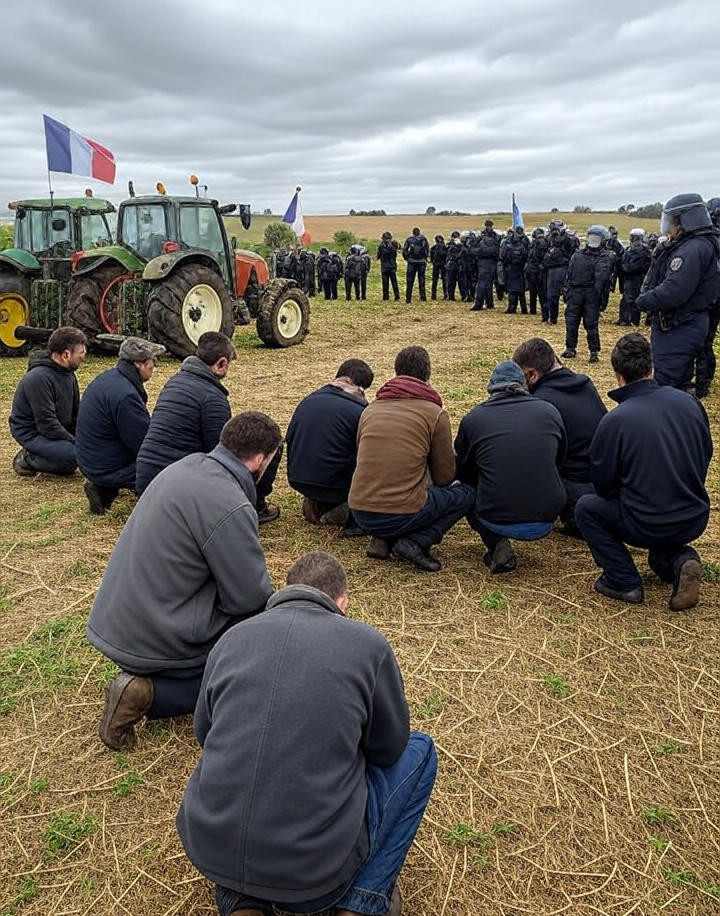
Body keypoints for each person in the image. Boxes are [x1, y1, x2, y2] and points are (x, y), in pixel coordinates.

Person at [177, 551, 436, 916]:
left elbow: (204, 733)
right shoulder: (368, 645)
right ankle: (361, 899)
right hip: (317, 877)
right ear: (342, 601)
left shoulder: (231, 639)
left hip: (213, 849)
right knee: (421, 750)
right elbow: (389, 748)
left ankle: (242, 903)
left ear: (285, 591)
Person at [87, 411, 281, 751]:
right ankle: (149, 694)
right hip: (158, 634)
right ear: (261, 460)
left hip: (117, 621)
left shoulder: (185, 467)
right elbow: (249, 599)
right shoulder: (230, 503)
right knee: (256, 648)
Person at [575, 334, 712, 610]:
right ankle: (682, 560)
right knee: (659, 552)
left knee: (586, 507)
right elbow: (705, 455)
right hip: (693, 515)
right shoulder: (691, 403)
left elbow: (602, 484)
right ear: (652, 368)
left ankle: (623, 580)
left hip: (645, 520)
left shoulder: (615, 421)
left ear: (617, 375)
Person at [349, 346, 474, 572]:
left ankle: (382, 539)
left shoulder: (370, 410)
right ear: (427, 376)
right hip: (401, 511)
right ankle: (416, 542)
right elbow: (445, 477)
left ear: (396, 372)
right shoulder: (434, 413)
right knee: (465, 495)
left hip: (360, 511)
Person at [135, 331, 280, 522]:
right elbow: (223, 456)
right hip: (177, 492)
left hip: (147, 484)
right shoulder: (212, 398)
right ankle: (256, 507)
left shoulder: (175, 382)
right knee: (271, 445)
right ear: (221, 364)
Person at [454, 360, 567, 573]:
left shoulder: (474, 419)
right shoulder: (549, 411)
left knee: (465, 490)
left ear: (491, 388)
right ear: (524, 385)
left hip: (495, 517)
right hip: (548, 515)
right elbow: (559, 459)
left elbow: (463, 470)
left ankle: (497, 544)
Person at [512, 338, 607, 536]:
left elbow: (536, 461)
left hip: (575, 489)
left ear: (532, 375)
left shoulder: (542, 405)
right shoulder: (585, 385)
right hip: (607, 484)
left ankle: (574, 519)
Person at [636, 193, 720, 390]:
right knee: (681, 382)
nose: (668, 226)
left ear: (685, 220)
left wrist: (643, 301)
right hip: (688, 321)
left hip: (680, 324)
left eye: (671, 220)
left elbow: (675, 290)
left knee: (667, 382)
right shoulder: (702, 244)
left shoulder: (692, 249)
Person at [76, 336, 165, 515]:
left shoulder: (109, 378)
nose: (153, 366)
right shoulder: (126, 396)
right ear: (139, 363)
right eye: (152, 361)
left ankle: (103, 486)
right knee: (164, 470)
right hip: (104, 465)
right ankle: (105, 486)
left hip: (90, 458)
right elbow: (142, 445)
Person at [286, 358, 374, 531]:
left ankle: (317, 502)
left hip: (298, 479)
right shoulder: (359, 411)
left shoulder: (309, 400)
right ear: (354, 385)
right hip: (334, 486)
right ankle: (338, 513)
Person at [9, 326, 87, 477]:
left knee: (89, 449)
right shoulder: (38, 379)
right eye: (81, 352)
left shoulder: (68, 374)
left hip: (58, 429)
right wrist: (76, 443)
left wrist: (87, 437)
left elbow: (77, 413)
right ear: (66, 355)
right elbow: (47, 425)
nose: (84, 356)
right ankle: (28, 458)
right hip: (35, 433)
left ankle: (54, 452)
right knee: (73, 457)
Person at [561, 225, 611, 363]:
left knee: (583, 323)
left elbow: (601, 281)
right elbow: (570, 276)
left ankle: (586, 351)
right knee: (579, 322)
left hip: (584, 293)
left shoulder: (595, 257)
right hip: (583, 293)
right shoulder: (583, 256)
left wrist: (567, 292)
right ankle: (578, 349)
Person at [694, 196, 720, 398]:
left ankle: (702, 383)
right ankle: (704, 380)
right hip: (712, 298)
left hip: (710, 300)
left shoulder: (708, 242)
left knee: (704, 342)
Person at [543, 220, 577, 325]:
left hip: (564, 268)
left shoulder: (569, 237)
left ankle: (572, 318)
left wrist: (563, 237)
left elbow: (572, 247)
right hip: (551, 269)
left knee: (569, 295)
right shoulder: (549, 238)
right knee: (551, 296)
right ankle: (553, 319)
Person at [618, 229, 651, 326]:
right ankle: (624, 319)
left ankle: (632, 320)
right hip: (628, 278)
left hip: (636, 278)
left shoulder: (643, 251)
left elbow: (637, 266)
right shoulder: (630, 249)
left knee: (632, 299)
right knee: (626, 299)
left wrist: (625, 267)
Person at [502, 226, 529, 314]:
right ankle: (523, 309)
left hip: (512, 269)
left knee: (512, 290)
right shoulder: (522, 247)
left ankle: (512, 308)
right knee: (520, 291)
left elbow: (504, 258)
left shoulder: (508, 247)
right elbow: (525, 257)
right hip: (519, 270)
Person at [471, 228, 500, 311]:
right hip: (492, 264)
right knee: (489, 284)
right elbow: (497, 252)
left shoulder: (481, 241)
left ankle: (478, 304)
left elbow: (473, 251)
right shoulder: (495, 241)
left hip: (482, 263)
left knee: (481, 285)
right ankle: (490, 303)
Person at [402, 227, 429, 303]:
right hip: (421, 262)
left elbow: (404, 250)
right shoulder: (424, 239)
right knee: (422, 280)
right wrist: (425, 258)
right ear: (419, 232)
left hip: (411, 262)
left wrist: (407, 258)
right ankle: (423, 298)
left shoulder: (409, 239)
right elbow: (427, 249)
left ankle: (408, 299)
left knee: (409, 281)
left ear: (413, 232)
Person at [525, 228, 548, 317]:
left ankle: (535, 310)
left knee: (536, 291)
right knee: (538, 291)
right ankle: (538, 310)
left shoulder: (537, 243)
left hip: (536, 270)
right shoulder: (540, 242)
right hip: (535, 269)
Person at [376, 232, 400, 301]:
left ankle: (385, 297)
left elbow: (378, 256)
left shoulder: (381, 245)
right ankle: (397, 296)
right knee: (394, 282)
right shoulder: (394, 244)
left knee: (385, 282)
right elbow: (399, 249)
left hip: (384, 266)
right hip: (392, 265)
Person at [444, 232, 462, 301]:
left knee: (451, 282)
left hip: (450, 264)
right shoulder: (461, 245)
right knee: (461, 282)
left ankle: (450, 296)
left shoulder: (449, 244)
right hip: (458, 264)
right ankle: (463, 296)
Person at [429, 234, 447, 300]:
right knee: (445, 280)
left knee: (434, 280)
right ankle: (446, 294)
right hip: (443, 264)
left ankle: (433, 295)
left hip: (436, 264)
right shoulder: (445, 247)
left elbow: (431, 257)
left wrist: (432, 261)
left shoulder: (433, 248)